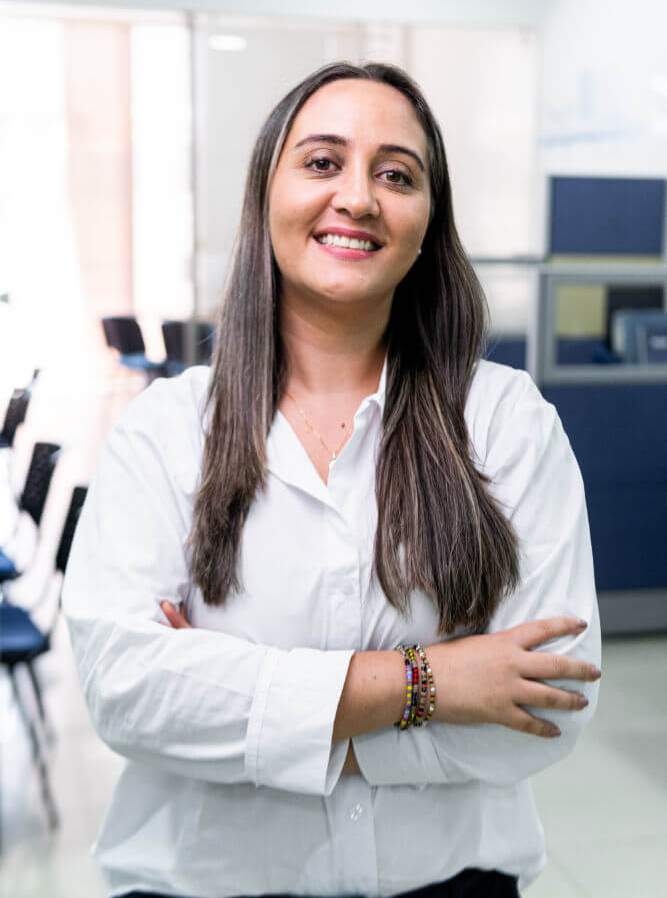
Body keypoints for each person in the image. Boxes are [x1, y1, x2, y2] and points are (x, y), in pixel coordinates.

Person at [62, 60, 602, 898]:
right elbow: (130, 694)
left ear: (427, 222)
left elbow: (544, 709)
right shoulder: (165, 432)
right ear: (264, 195)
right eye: (321, 162)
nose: (357, 197)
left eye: (397, 175)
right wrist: (432, 682)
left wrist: (240, 707)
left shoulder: (506, 422)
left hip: (452, 884)